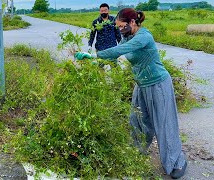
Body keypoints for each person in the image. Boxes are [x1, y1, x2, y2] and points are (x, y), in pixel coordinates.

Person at [74, 8, 187, 179]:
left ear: (132, 22)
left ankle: (176, 162)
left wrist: (93, 56)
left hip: (158, 84)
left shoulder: (144, 36)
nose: (119, 29)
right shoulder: (128, 35)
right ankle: (137, 152)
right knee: (137, 120)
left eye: (121, 26)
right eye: (118, 27)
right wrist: (96, 62)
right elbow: (116, 54)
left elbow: (119, 51)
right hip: (141, 84)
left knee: (164, 123)